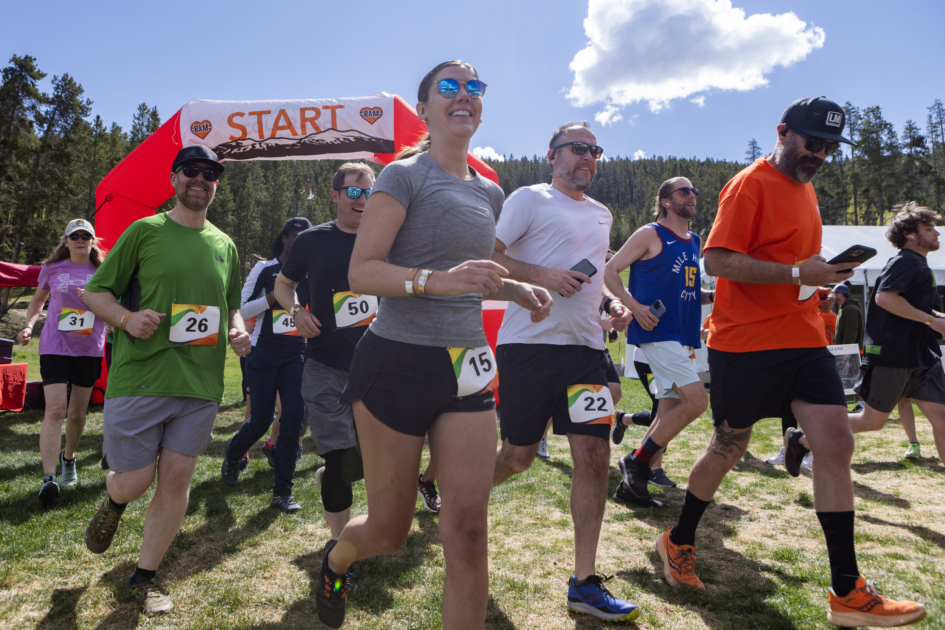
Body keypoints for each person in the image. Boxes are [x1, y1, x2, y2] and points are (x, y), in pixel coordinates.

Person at [655, 97, 926, 628]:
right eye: (811, 142)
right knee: (730, 447)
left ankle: (847, 590)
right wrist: (799, 275)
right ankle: (678, 539)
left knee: (835, 441)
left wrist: (821, 285)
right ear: (783, 132)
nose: (820, 154)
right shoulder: (749, 184)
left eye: (828, 147)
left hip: (802, 339)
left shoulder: (808, 189)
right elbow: (716, 260)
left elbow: (797, 267)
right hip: (745, 342)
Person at [313, 61, 552, 630]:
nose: (464, 95)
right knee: (389, 534)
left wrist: (517, 288)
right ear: (424, 109)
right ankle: (337, 556)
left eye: (474, 87)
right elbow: (364, 270)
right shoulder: (403, 175)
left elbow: (478, 263)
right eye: (449, 87)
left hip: (465, 367)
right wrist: (432, 280)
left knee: (468, 532)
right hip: (395, 362)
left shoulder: (490, 191)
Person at [80, 145, 250, 615]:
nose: (201, 179)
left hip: (200, 386)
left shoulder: (225, 244)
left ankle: (143, 577)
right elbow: (96, 292)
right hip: (142, 378)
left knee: (177, 480)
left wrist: (236, 328)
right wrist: (126, 319)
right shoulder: (145, 231)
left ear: (217, 183)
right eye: (191, 171)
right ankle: (115, 502)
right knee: (134, 482)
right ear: (174, 179)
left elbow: (232, 303)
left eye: (210, 173)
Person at [491, 121, 640, 622]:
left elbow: (593, 278)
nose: (589, 157)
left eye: (595, 151)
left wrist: (608, 311)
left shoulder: (602, 214)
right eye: (579, 149)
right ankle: (456, 490)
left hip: (584, 351)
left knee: (595, 455)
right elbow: (491, 259)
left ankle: (585, 580)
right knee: (517, 457)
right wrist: (544, 276)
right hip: (528, 348)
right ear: (552, 155)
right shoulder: (528, 199)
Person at [272, 163, 375, 538]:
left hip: (377, 367)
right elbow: (284, 286)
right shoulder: (312, 241)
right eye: (353, 192)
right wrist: (297, 312)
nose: (362, 200)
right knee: (340, 456)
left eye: (369, 193)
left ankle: (333, 473)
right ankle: (338, 550)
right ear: (335, 196)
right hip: (325, 363)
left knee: (375, 461)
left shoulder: (385, 239)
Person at [605, 177, 714, 506]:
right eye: (684, 191)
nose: (692, 195)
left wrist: (722, 296)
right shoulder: (650, 234)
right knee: (696, 402)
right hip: (657, 332)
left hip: (682, 336)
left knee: (667, 408)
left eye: (694, 190)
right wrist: (635, 307)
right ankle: (636, 463)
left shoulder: (694, 240)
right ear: (666, 201)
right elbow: (610, 272)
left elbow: (691, 293)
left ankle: (630, 487)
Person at [220, 216, 312, 512]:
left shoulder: (312, 271)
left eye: (305, 238)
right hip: (263, 351)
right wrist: (272, 298)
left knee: (293, 417)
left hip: (296, 352)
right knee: (260, 419)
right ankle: (234, 452)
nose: (299, 242)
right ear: (284, 238)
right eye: (294, 237)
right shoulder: (264, 268)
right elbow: (243, 309)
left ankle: (282, 491)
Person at [845, 203, 945, 466]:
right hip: (893, 355)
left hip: (922, 355)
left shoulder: (919, 264)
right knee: (872, 422)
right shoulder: (904, 262)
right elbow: (885, 298)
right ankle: (802, 440)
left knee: (942, 419)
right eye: (929, 228)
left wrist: (937, 316)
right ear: (911, 235)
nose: (937, 234)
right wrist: (930, 320)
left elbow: (916, 305)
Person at [18, 219, 107, 506]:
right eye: (75, 236)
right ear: (66, 241)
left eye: (86, 236)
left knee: (78, 414)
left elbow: (112, 306)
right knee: (55, 409)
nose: (80, 240)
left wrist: (93, 301)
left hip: (89, 348)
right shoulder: (52, 269)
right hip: (55, 346)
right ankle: (49, 478)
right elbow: (37, 301)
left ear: (93, 241)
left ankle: (68, 458)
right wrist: (30, 325)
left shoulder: (103, 271)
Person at [833, 284, 863, 348]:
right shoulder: (844, 308)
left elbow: (850, 333)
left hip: (851, 353)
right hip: (846, 352)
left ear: (840, 294)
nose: (832, 296)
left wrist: (845, 352)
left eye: (834, 293)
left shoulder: (850, 309)